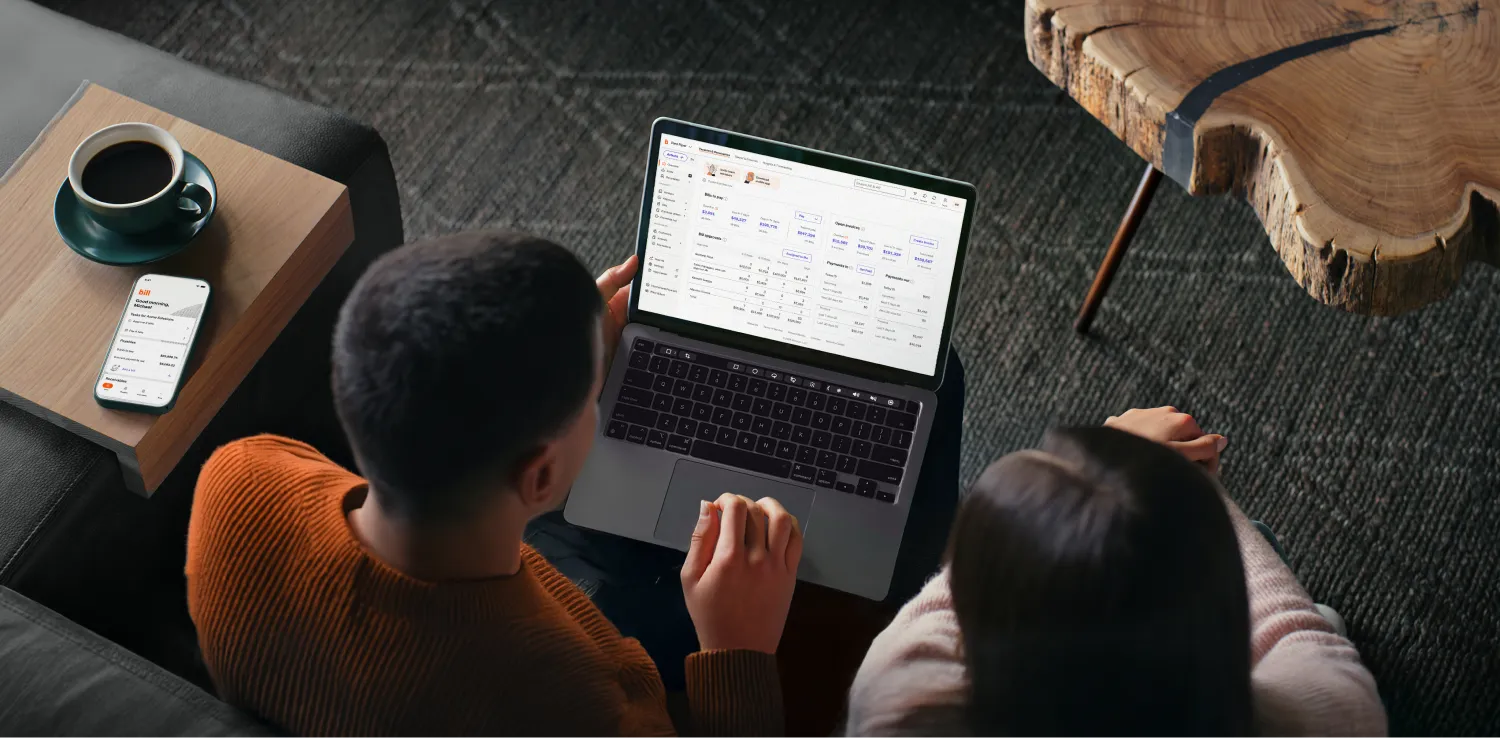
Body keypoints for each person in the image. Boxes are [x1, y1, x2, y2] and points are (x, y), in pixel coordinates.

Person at [186, 231, 802, 738]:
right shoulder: (587, 709)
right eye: (589, 403)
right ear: (540, 476)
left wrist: (551, 360)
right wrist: (737, 650)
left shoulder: (239, 480)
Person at [845, 407, 1386, 738]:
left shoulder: (894, 704)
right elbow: (1294, 630)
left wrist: (1082, 496)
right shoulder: (1338, 714)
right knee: (1300, 595)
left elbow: (967, 582)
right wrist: (1170, 482)